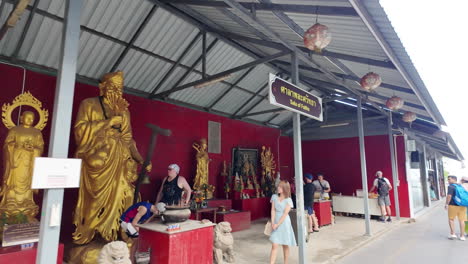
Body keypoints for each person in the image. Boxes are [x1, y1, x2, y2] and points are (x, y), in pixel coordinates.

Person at [72, 71, 151, 244]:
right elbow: (79, 131)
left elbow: (128, 139)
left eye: (120, 88)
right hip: (97, 160)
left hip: (120, 159)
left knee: (126, 195)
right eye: (112, 87)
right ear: (103, 88)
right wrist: (108, 122)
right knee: (95, 201)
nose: (116, 91)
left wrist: (140, 159)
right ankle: (90, 232)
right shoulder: (89, 104)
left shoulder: (125, 112)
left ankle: (121, 232)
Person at [0, 111, 44, 222]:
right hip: (16, 164)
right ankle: (11, 201)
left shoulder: (37, 132)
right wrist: (16, 147)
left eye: (32, 118)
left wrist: (33, 149)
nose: (30, 120)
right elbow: (7, 145)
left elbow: (40, 147)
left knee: (28, 183)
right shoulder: (14, 130)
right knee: (13, 183)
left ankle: (27, 201)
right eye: (27, 117)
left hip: (29, 163)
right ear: (21, 118)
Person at [269, 181, 296, 264]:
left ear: (284, 189)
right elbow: (273, 210)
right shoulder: (274, 197)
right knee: (274, 244)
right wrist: (273, 222)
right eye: (278, 186)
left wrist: (277, 224)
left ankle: (286, 262)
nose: (278, 188)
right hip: (275, 221)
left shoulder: (288, 200)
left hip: (284, 223)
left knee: (285, 244)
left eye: (280, 187)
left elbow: (285, 214)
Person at [446, 175, 467, 240]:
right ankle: (462, 236)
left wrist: (446, 204)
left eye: (449, 179)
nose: (448, 181)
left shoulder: (451, 186)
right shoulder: (461, 186)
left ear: (454, 179)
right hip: (462, 205)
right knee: (462, 220)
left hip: (453, 205)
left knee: (451, 219)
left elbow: (449, 196)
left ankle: (453, 234)